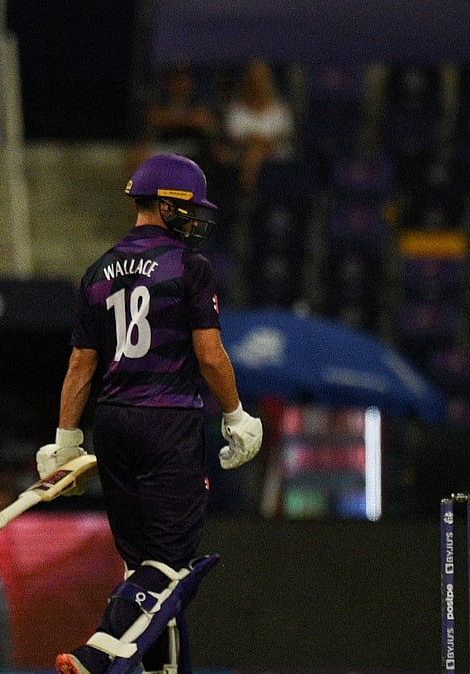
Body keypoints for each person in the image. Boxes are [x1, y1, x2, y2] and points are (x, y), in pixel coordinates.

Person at [46, 153, 262, 674]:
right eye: (189, 210)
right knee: (168, 567)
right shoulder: (190, 267)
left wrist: (65, 440)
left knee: (142, 567)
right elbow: (210, 355)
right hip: (168, 421)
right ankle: (98, 654)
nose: (196, 221)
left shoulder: (98, 270)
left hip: (113, 421)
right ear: (166, 205)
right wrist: (236, 416)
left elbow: (81, 363)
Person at [223, 59, 296, 193]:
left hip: (276, 154)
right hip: (243, 153)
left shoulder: (280, 109)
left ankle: (248, 193)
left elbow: (284, 136)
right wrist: (256, 143)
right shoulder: (237, 109)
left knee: (255, 152)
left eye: (261, 80)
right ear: (247, 82)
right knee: (253, 152)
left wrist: (260, 143)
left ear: (268, 82)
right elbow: (234, 137)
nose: (257, 85)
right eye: (254, 80)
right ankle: (250, 194)